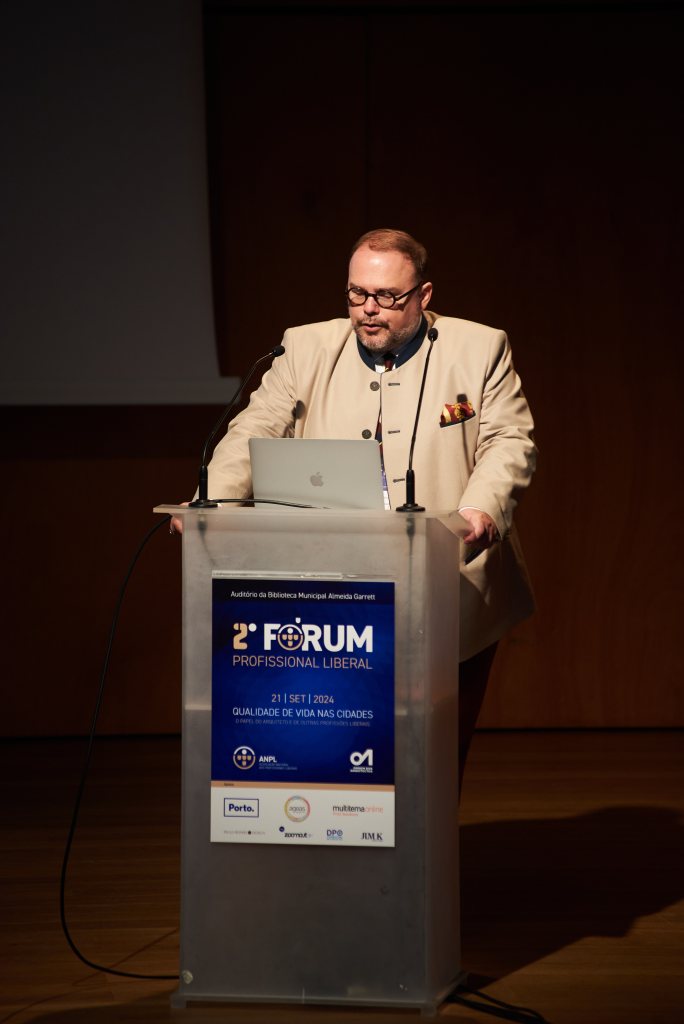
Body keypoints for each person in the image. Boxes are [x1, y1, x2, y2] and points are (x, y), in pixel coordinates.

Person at [174, 228, 536, 788]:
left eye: (388, 296)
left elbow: (507, 439)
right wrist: (210, 503)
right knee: (340, 753)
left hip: (452, 581)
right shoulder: (303, 348)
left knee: (437, 759)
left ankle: (427, 842)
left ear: (424, 295)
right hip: (332, 595)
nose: (369, 309)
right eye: (357, 293)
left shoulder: (479, 348)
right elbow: (255, 428)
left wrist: (482, 507)